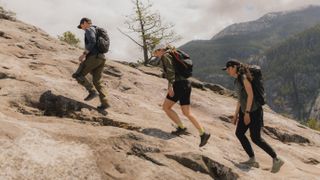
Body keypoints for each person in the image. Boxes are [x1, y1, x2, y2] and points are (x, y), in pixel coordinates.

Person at [222, 59, 284, 173]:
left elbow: (250, 96)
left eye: (228, 69)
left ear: (234, 67)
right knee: (239, 133)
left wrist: (247, 114)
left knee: (255, 138)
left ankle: (276, 159)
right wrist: (236, 115)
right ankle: (252, 159)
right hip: (244, 110)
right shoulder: (236, 80)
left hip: (254, 111)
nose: (227, 71)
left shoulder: (244, 78)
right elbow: (240, 99)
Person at [153, 44, 211, 147]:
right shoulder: (173, 54)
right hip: (186, 84)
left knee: (166, 107)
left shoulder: (166, 56)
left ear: (160, 50)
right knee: (187, 112)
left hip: (178, 85)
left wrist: (170, 86)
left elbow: (170, 71)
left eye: (156, 52)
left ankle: (182, 128)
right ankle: (203, 133)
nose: (155, 55)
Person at [72, 17, 109, 111]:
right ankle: (105, 103)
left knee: (78, 74)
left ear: (84, 23)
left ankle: (92, 91)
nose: (82, 28)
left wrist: (84, 54)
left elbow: (92, 41)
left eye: (81, 26)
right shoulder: (97, 30)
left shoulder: (89, 29)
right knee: (97, 81)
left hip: (93, 57)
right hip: (101, 58)